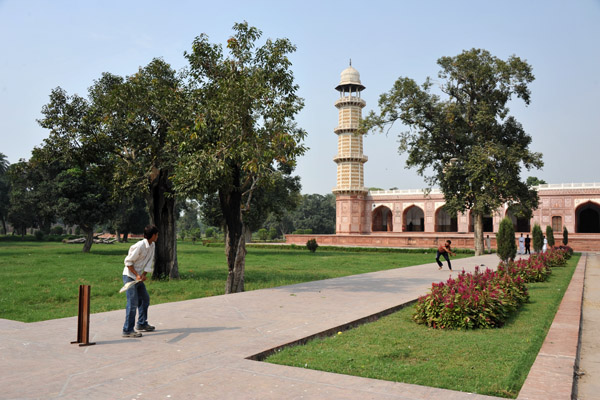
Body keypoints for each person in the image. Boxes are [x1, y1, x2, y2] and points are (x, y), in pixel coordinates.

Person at [122, 225, 159, 338]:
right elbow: (128, 262)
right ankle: (127, 330)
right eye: (157, 234)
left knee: (144, 299)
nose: (157, 236)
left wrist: (143, 275)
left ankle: (142, 324)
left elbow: (149, 263)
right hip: (129, 276)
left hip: (138, 277)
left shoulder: (152, 245)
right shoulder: (139, 246)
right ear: (153, 235)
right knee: (132, 303)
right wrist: (137, 275)